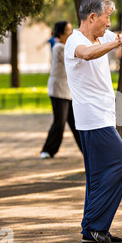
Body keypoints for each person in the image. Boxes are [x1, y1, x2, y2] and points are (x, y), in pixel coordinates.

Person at [64, 0, 122, 243]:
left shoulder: (102, 36)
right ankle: (96, 225)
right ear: (92, 16)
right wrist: (117, 42)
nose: (108, 22)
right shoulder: (75, 41)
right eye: (106, 17)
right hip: (93, 119)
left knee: (97, 175)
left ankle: (90, 229)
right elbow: (87, 54)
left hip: (102, 117)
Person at [40, 21, 83, 159]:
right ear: (61, 33)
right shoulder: (59, 47)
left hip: (68, 91)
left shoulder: (65, 47)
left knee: (75, 123)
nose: (70, 33)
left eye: (71, 30)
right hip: (59, 90)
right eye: (68, 31)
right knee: (59, 121)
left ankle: (86, 150)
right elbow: (75, 60)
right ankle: (48, 150)